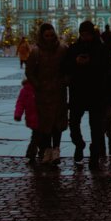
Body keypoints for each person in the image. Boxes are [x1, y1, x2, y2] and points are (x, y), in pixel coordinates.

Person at [64, 20, 111, 169]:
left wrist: (90, 62)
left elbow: (107, 68)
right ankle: (79, 144)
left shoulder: (101, 49)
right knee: (73, 124)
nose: (85, 37)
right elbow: (65, 67)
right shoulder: (73, 49)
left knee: (96, 127)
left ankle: (94, 154)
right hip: (77, 93)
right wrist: (75, 62)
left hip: (96, 93)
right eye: (82, 34)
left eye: (87, 35)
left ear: (92, 34)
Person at [24, 23, 69, 165]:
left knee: (58, 121)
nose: (49, 38)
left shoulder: (62, 49)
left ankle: (56, 149)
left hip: (58, 92)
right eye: (46, 36)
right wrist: (37, 85)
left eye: (51, 35)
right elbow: (29, 71)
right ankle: (47, 150)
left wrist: (64, 81)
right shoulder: (36, 51)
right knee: (44, 122)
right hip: (43, 93)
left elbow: (69, 69)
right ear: (42, 36)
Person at [13, 78, 39, 165]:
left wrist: (18, 114)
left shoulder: (27, 89)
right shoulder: (26, 89)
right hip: (33, 117)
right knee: (36, 136)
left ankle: (33, 153)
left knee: (37, 136)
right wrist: (18, 114)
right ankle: (33, 153)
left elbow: (20, 103)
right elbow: (20, 103)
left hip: (39, 116)